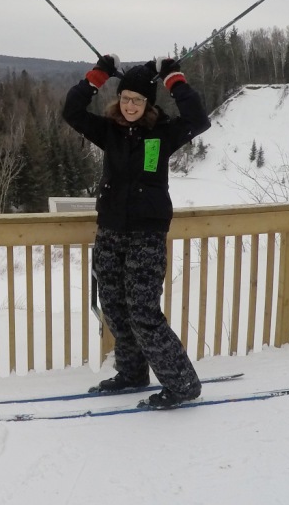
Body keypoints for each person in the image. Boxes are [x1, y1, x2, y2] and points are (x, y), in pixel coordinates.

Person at [62, 53, 211, 409]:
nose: (130, 106)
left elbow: (198, 118)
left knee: (143, 310)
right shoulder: (109, 130)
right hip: (111, 230)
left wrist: (173, 78)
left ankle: (183, 384)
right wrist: (97, 76)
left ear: (148, 103)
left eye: (138, 100)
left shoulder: (163, 133)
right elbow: (72, 111)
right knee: (113, 305)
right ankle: (132, 372)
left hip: (146, 233)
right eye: (125, 98)